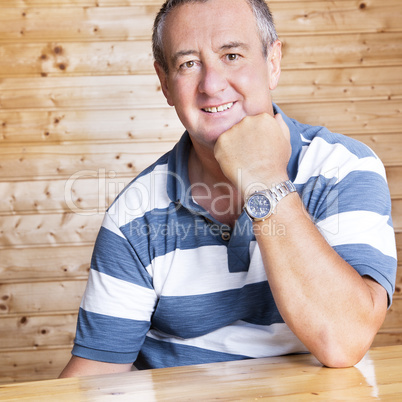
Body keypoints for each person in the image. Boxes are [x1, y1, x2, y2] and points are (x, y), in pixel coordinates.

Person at [59, 0, 397, 377]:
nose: (212, 84)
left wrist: (263, 179)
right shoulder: (133, 215)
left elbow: (344, 339)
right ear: (165, 83)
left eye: (232, 55)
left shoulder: (344, 169)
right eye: (188, 64)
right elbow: (95, 375)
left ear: (273, 62)